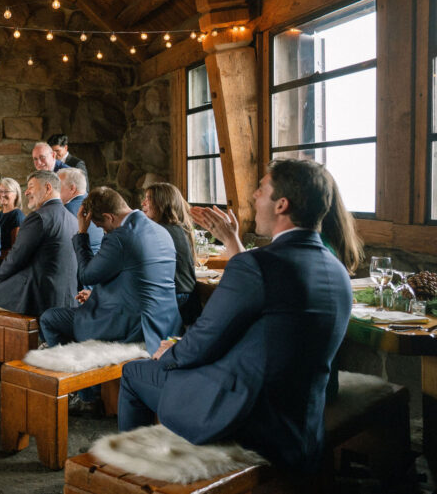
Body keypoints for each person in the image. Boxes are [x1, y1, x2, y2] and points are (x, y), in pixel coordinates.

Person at [119, 160, 355, 473]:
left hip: (247, 419)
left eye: (260, 190)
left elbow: (203, 340)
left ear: (282, 204)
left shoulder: (256, 266)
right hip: (301, 425)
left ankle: (131, 474)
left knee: (135, 374)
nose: (254, 197)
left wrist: (168, 354)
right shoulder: (338, 271)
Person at [38, 187, 181, 354]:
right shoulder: (161, 230)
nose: (103, 230)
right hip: (166, 321)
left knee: (50, 318)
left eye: (101, 226)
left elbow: (87, 275)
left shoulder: (120, 237)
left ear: (109, 217)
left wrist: (82, 233)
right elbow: (136, 279)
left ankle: (78, 374)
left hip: (131, 326)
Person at [0, 171, 78, 317]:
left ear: (48, 188)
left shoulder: (39, 217)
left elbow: (16, 257)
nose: (26, 192)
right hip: (67, 297)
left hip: (38, 296)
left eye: (31, 187)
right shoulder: (72, 219)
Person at [141, 183, 199, 327]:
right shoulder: (178, 228)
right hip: (187, 296)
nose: (143, 203)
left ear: (162, 203)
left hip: (176, 297)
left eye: (149, 199)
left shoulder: (161, 231)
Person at [58, 167, 103, 257]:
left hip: (80, 264)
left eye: (58, 186)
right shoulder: (97, 204)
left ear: (72, 188)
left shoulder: (65, 211)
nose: (54, 190)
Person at [0, 177, 25, 262]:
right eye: (0, 191)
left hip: (7, 266)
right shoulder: (0, 214)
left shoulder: (17, 216)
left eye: (6, 191)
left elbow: (15, 250)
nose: (2, 194)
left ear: (16, 194)